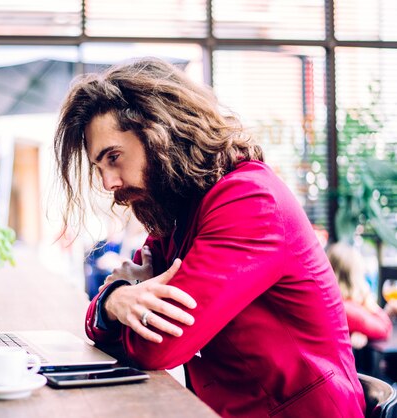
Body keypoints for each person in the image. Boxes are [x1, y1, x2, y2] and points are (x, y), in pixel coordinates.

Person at [53, 58, 364, 417]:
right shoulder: (177, 212)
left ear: (159, 131)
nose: (108, 182)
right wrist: (115, 301)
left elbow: (160, 345)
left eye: (114, 157)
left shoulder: (250, 202)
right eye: (100, 167)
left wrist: (114, 301)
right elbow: (109, 323)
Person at [327, 241, 392, 349]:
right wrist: (368, 301)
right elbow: (385, 329)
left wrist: (361, 332)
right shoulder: (346, 308)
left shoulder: (336, 304)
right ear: (354, 276)